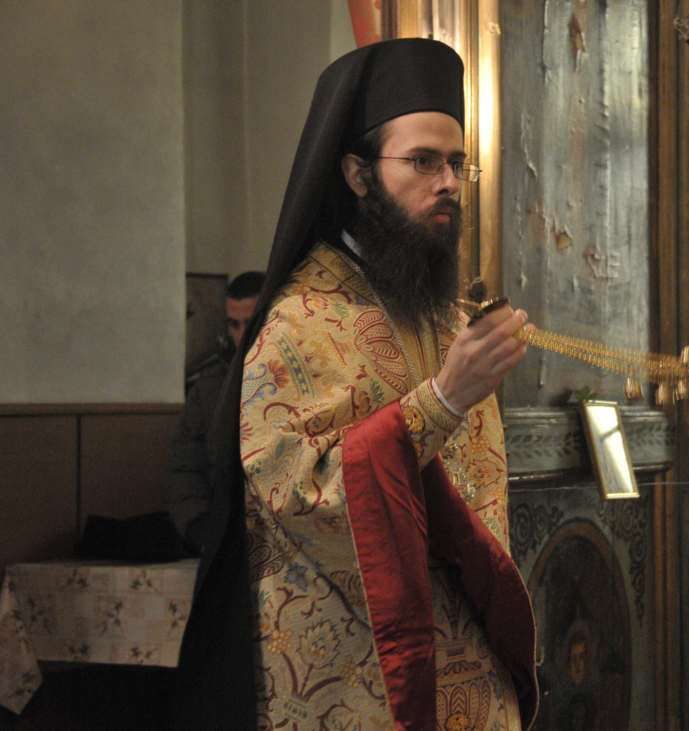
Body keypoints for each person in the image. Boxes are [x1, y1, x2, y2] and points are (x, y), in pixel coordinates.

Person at [174, 39, 538, 730]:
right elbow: (302, 496)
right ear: (358, 173)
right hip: (356, 683)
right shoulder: (298, 323)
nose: (448, 182)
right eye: (422, 161)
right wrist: (440, 404)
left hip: (470, 673)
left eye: (456, 162)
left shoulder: (446, 317)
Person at [167, 271, 264, 555]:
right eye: (234, 324)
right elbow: (185, 463)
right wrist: (198, 524)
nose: (242, 334)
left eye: (250, 323)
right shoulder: (211, 386)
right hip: (224, 530)